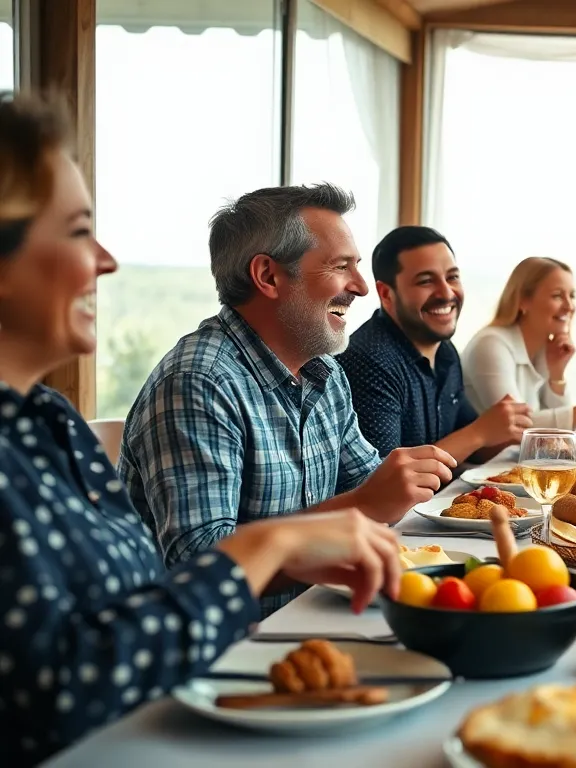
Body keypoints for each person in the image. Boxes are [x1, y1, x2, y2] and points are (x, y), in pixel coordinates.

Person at [0, 92, 404, 767]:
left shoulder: (48, 422)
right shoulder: (199, 378)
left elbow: (137, 605)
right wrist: (272, 545)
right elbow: (61, 690)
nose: (106, 261)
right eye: (75, 231)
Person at [120, 184, 456, 616]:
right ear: (268, 277)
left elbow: (373, 491)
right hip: (225, 654)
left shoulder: (325, 372)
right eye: (340, 266)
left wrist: (395, 487)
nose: (361, 287)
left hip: (311, 618)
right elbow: (198, 568)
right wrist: (364, 504)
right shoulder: (199, 382)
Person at [337, 226, 532, 460]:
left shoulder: (445, 352)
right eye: (426, 281)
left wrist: (512, 432)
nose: (447, 292)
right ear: (387, 294)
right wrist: (480, 433)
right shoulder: (368, 360)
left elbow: (470, 447)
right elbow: (382, 479)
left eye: (452, 277)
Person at [461, 257, 576, 429]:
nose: (569, 306)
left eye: (571, 296)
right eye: (557, 296)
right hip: (486, 463)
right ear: (523, 301)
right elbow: (516, 426)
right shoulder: (490, 345)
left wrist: (557, 375)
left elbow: (563, 432)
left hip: (520, 460)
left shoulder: (543, 348)